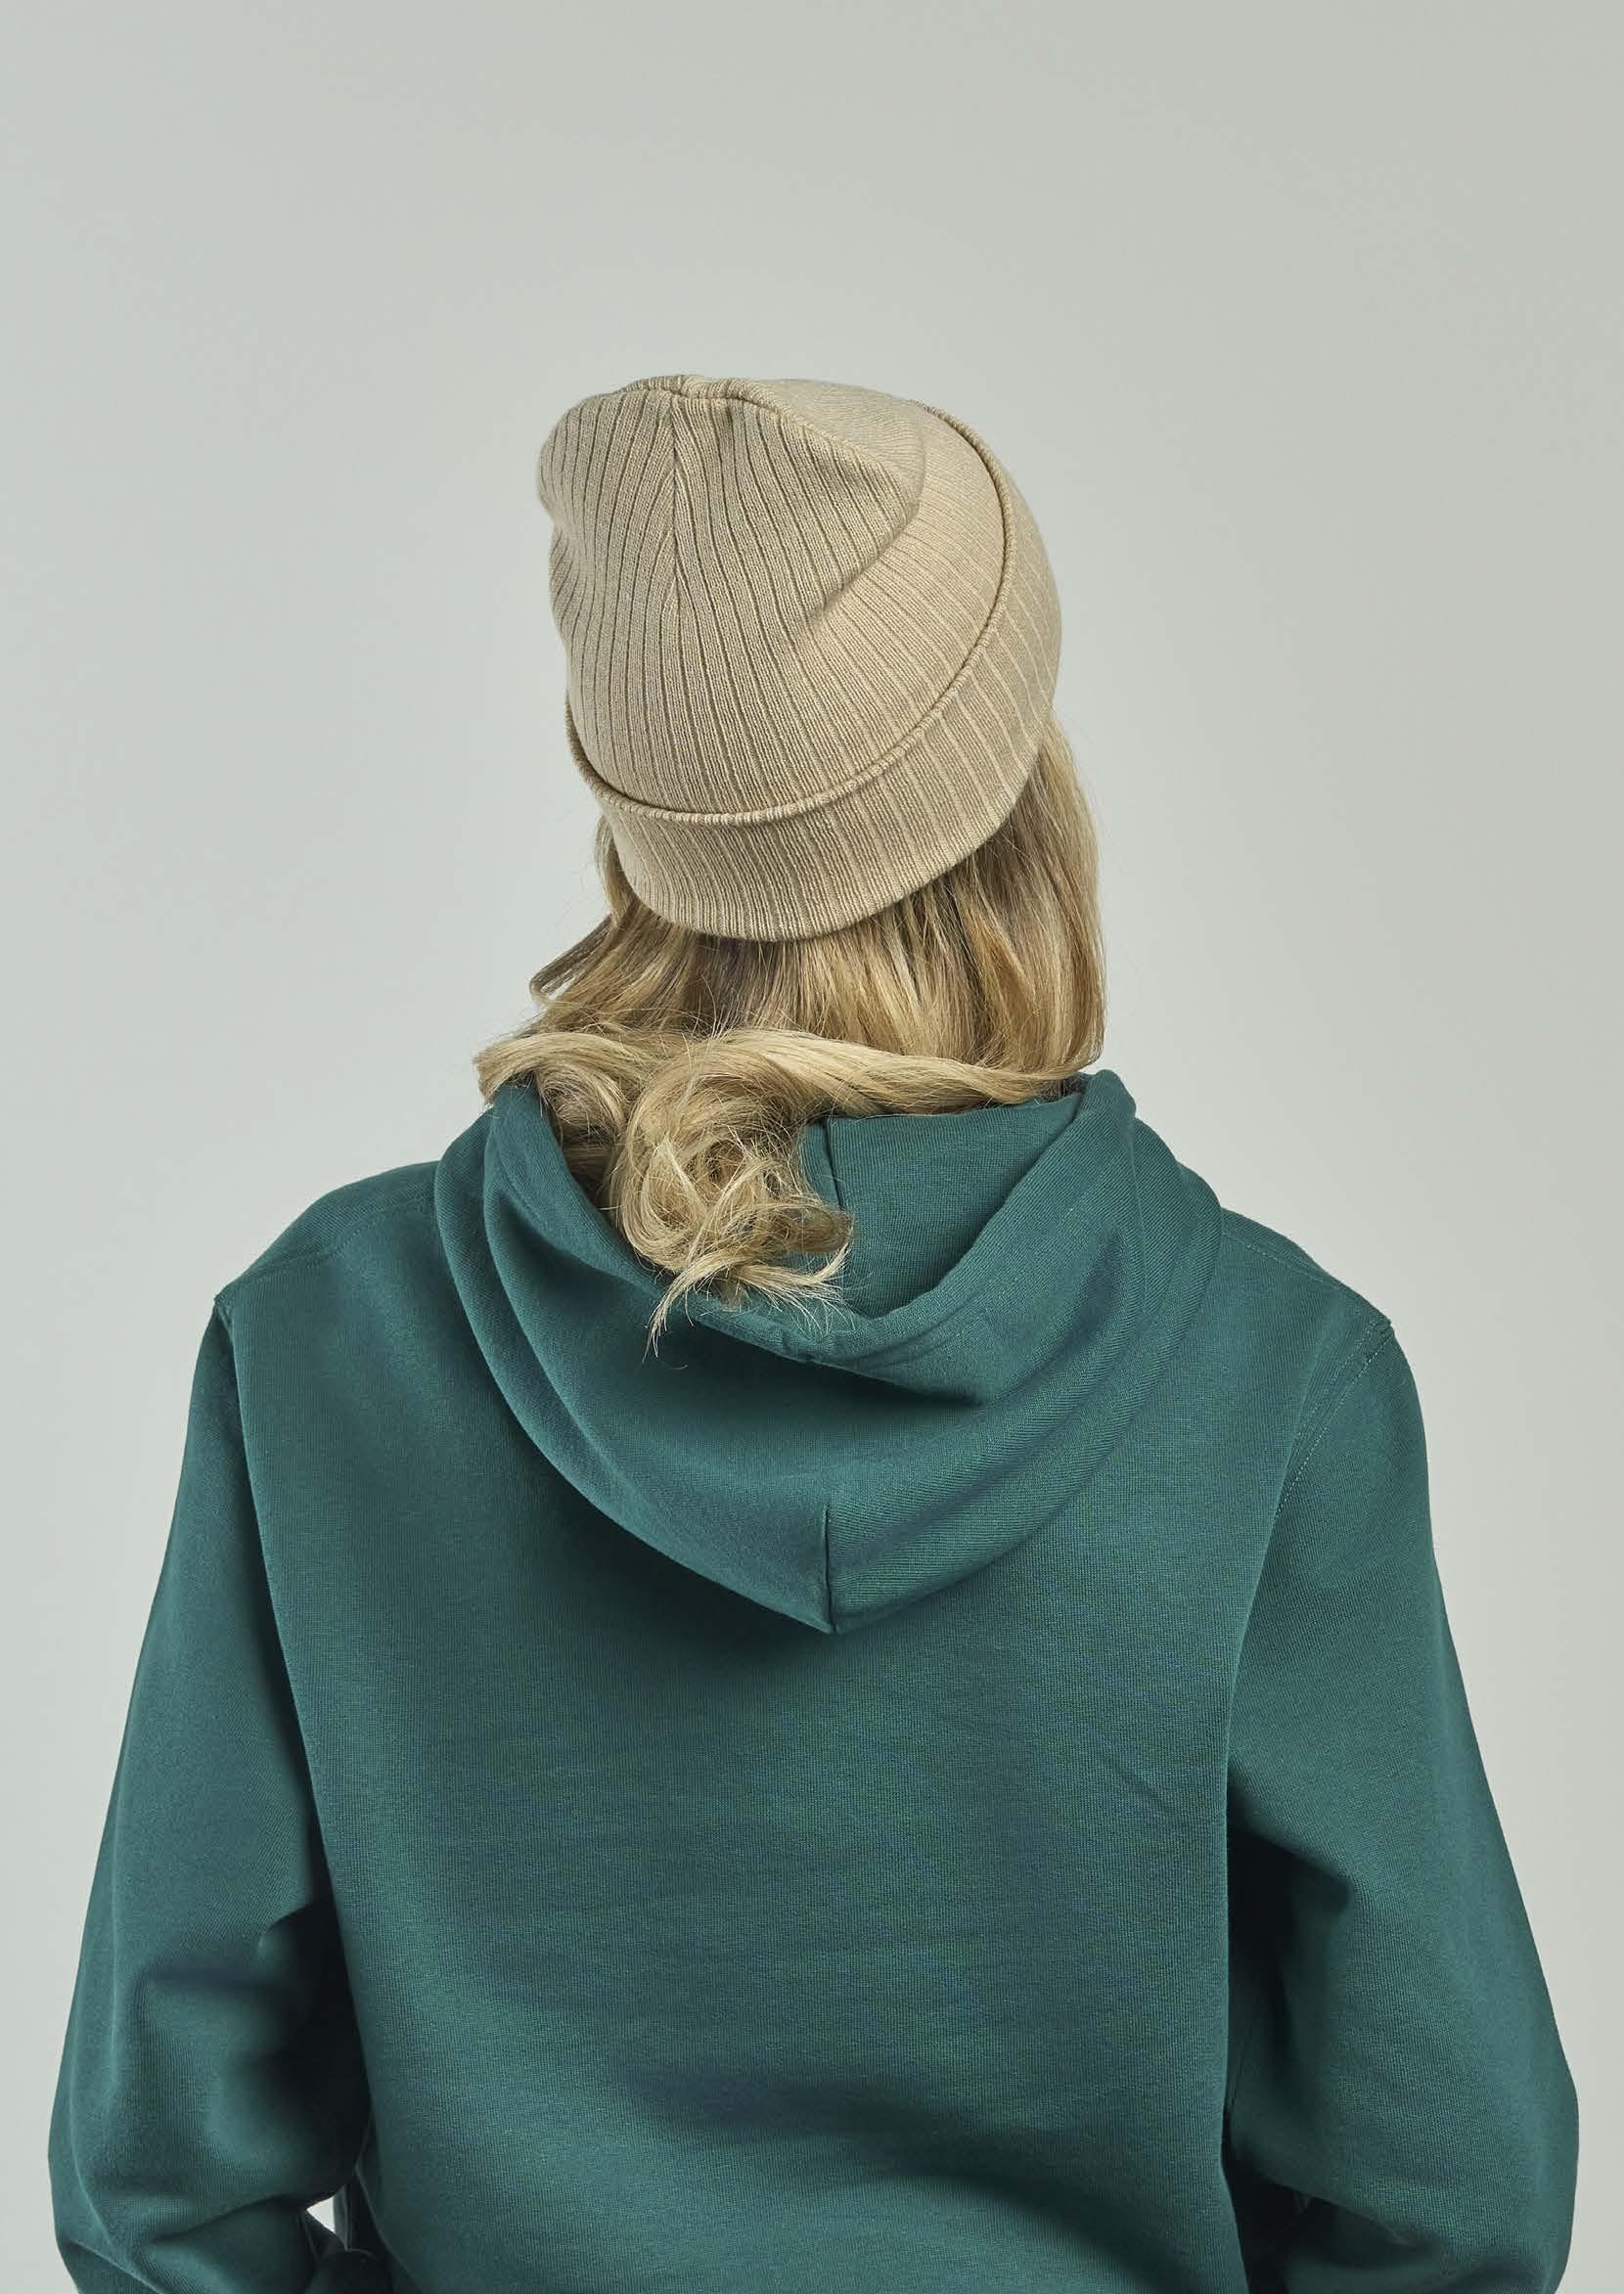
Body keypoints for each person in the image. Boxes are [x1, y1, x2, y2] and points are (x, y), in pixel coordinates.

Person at [48, 373, 1579, 2293]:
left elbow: (157, 2186)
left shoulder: (319, 1351)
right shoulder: (1269, 1377)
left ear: (628, 794)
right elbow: (1453, 2185)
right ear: (1018, 775)